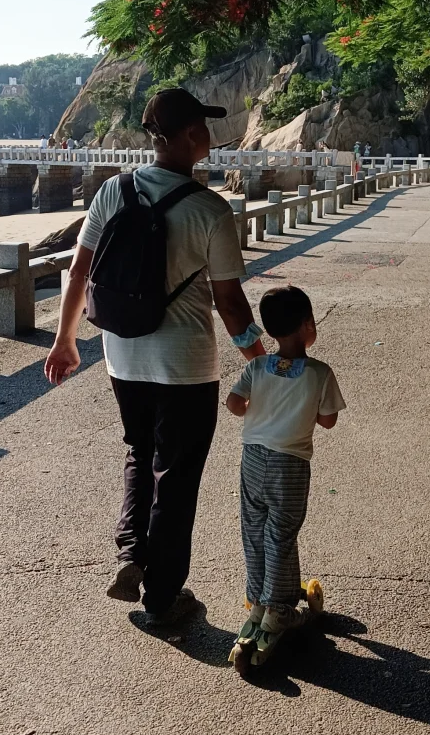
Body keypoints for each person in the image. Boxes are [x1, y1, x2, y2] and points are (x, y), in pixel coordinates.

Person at [44, 88, 266, 625]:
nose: (210, 135)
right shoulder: (209, 209)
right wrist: (257, 359)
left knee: (139, 453)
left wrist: (66, 339)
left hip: (122, 353)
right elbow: (230, 302)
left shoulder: (112, 191)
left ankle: (131, 556)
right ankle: (165, 595)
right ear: (191, 136)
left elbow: (79, 272)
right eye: (204, 127)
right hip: (185, 364)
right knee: (178, 473)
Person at [225, 285, 346, 668]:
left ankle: (258, 599)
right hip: (289, 466)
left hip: (252, 460)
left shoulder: (256, 366)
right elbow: (328, 421)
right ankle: (278, 609)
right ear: (309, 325)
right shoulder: (319, 373)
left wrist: (254, 408)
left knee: (255, 529)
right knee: (281, 532)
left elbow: (233, 403)